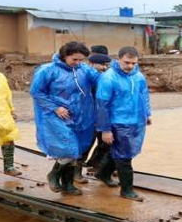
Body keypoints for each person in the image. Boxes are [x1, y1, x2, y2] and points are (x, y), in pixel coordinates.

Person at [30, 41, 98, 195]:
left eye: (81, 60)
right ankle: (54, 174)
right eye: (74, 59)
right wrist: (55, 107)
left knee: (77, 151)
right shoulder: (47, 70)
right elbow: (36, 92)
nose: (78, 63)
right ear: (64, 55)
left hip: (81, 116)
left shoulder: (84, 69)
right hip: (56, 115)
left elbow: (102, 81)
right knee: (69, 149)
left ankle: (68, 184)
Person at [94, 46, 151, 201]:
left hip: (136, 121)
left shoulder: (138, 76)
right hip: (117, 123)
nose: (130, 66)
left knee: (119, 152)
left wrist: (147, 113)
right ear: (118, 59)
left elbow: (144, 95)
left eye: (133, 63)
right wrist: (105, 129)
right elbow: (102, 105)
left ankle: (103, 173)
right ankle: (127, 190)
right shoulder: (108, 78)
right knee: (125, 157)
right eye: (127, 62)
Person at [79, 45, 112, 179]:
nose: (104, 67)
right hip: (88, 117)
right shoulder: (85, 77)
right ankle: (77, 171)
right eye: (102, 65)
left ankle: (96, 165)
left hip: (102, 117)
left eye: (106, 65)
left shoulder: (105, 78)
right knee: (87, 143)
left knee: (105, 143)